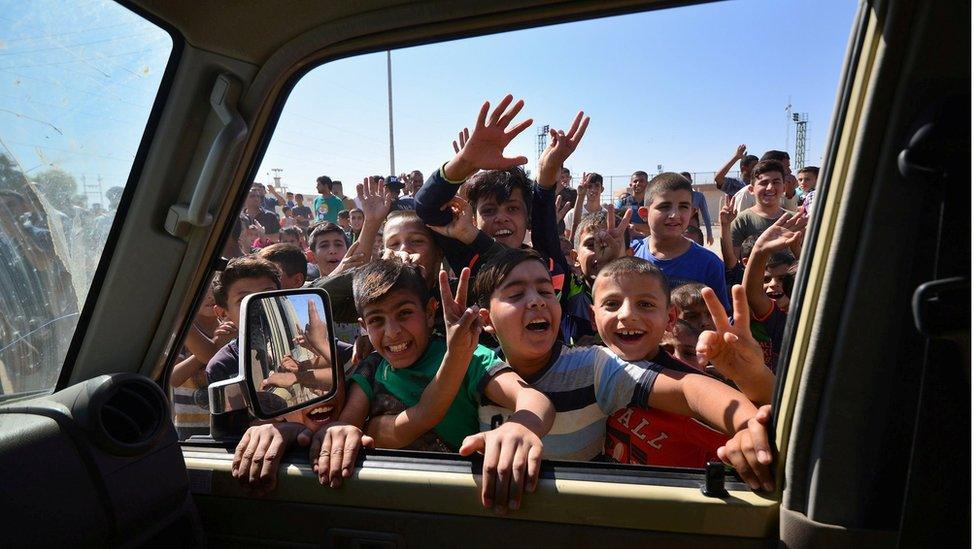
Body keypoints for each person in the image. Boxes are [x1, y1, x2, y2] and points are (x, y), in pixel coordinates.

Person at [470, 249, 773, 489]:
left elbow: (689, 389)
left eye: (546, 291)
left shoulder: (595, 366)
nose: (536, 301)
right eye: (516, 294)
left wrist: (748, 424)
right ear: (486, 319)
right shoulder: (474, 366)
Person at [310, 260, 555, 513]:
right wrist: (340, 431)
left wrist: (521, 427)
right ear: (363, 326)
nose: (392, 332)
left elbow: (534, 399)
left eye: (404, 313)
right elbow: (348, 422)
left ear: (429, 312)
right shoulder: (371, 369)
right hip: (389, 503)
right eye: (376, 320)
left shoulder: (467, 351)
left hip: (462, 501)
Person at [414, 94, 584, 299]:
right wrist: (462, 163)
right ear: (473, 218)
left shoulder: (548, 267)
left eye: (512, 208)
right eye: (488, 210)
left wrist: (545, 180)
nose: (501, 217)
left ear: (527, 217)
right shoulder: (467, 259)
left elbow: (533, 248)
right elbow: (427, 208)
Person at [630, 172, 730, 311]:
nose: (674, 215)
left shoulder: (709, 264)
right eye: (664, 206)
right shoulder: (630, 255)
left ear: (692, 212)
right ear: (644, 214)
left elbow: (720, 317)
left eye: (683, 206)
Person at [743, 212, 806, 371]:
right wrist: (759, 250)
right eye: (766, 279)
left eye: (783, 279)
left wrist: (798, 251)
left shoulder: (807, 313)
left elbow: (804, 283)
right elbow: (752, 295)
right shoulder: (779, 321)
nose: (774, 285)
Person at [205, 257, 282, 384]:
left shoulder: (302, 341)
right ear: (223, 313)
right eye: (245, 299)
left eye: (268, 295)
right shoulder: (222, 365)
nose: (259, 304)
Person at [561, 208, 631, 346]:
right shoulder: (569, 288)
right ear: (575, 257)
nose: (602, 251)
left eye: (611, 243)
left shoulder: (640, 291)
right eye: (591, 245)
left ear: (629, 255)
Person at [729, 160, 802, 262]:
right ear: (751, 190)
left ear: (784, 188)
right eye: (763, 183)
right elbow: (733, 263)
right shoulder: (741, 221)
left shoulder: (796, 220)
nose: (770, 187)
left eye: (776, 182)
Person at [732, 151, 799, 213]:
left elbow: (791, 216)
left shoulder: (782, 190)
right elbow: (740, 222)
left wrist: (790, 195)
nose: (790, 171)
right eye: (786, 167)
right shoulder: (746, 194)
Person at [564, 172, 604, 240]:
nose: (593, 190)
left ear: (602, 189)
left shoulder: (606, 215)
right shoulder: (572, 214)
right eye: (589, 186)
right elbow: (569, 241)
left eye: (597, 185)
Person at [680, 171, 713, 246]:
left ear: (691, 181)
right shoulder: (675, 197)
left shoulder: (698, 196)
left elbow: (706, 216)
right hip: (680, 230)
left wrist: (709, 234)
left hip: (694, 230)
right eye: (681, 181)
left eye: (686, 181)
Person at [615, 170, 650, 237]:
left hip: (647, 241)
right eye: (635, 181)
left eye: (641, 181)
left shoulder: (651, 203)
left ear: (647, 184)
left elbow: (654, 227)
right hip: (628, 242)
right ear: (631, 185)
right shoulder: (623, 203)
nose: (638, 183)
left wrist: (633, 225)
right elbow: (618, 224)